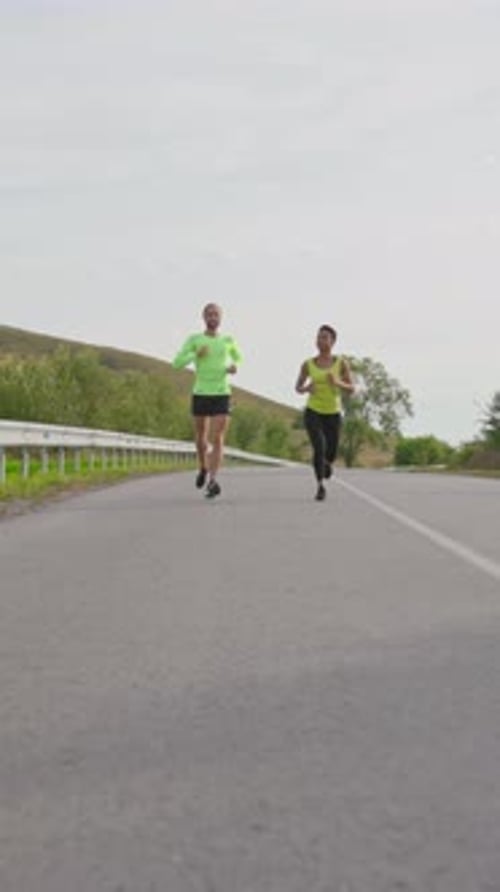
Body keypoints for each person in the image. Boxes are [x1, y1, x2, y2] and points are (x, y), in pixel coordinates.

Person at [172, 303, 242, 498]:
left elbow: (239, 358)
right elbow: (176, 363)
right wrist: (195, 354)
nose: (213, 317)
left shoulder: (228, 340)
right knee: (201, 439)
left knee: (218, 437)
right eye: (209, 314)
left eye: (216, 314)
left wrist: (234, 366)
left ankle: (213, 480)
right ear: (204, 317)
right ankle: (203, 467)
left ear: (221, 318)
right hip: (201, 392)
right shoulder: (195, 339)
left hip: (222, 393)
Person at [295, 324, 354, 501]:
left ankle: (326, 464)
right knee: (319, 447)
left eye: (325, 337)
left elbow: (351, 388)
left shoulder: (341, 363)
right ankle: (320, 485)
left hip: (333, 413)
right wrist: (307, 388)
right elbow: (298, 387)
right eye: (319, 337)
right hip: (313, 411)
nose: (321, 340)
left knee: (331, 452)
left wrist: (337, 382)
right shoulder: (308, 364)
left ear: (333, 341)